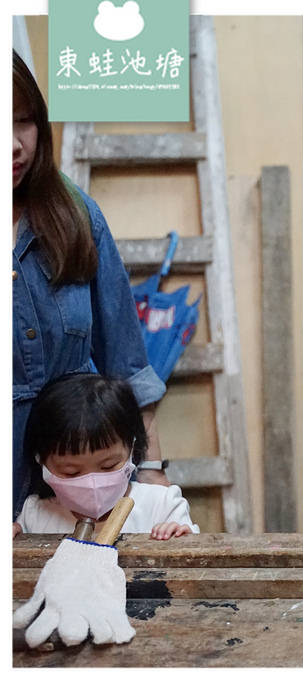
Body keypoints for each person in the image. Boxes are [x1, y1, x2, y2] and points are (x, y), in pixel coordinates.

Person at [12, 49, 171, 522]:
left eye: (22, 121)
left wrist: (153, 471)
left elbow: (127, 363)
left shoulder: (75, 215)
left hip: (79, 490)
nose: (15, 145)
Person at [13, 373, 199, 539]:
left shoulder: (162, 504)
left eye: (108, 466)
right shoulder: (34, 515)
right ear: (41, 461)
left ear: (131, 449)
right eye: (71, 472)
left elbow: (194, 560)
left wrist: (180, 535)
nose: (92, 483)